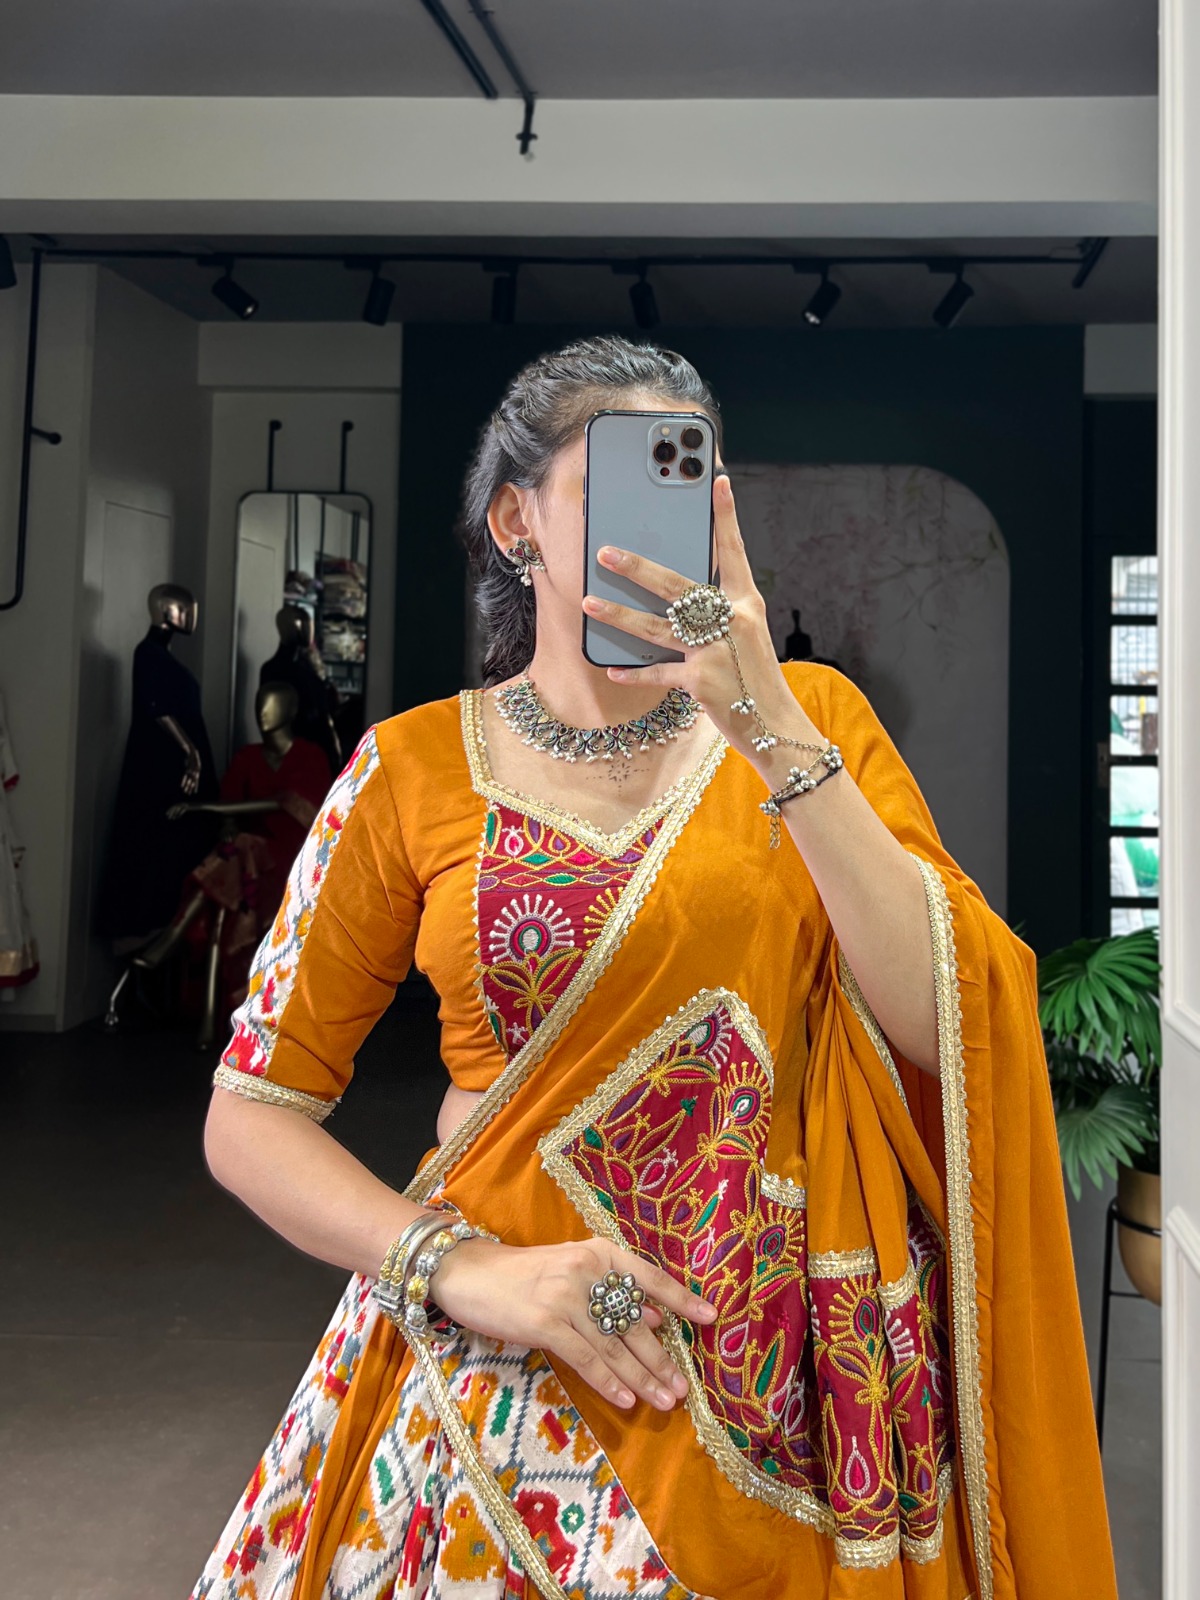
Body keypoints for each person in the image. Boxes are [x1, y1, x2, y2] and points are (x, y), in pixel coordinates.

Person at [193, 337, 1117, 1600]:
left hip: (790, 1392)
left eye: (691, 483)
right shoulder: (410, 772)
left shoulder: (814, 723)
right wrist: (464, 1269)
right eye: (617, 481)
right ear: (516, 521)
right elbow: (250, 1112)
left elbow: (943, 1021)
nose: (659, 521)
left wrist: (765, 723)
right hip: (506, 1375)